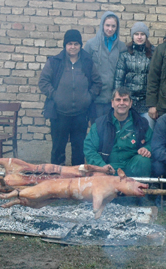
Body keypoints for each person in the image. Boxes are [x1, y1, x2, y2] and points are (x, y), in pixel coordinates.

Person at [39, 29, 101, 165]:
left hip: (80, 115)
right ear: (65, 45)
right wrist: (55, 95)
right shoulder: (55, 62)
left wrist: (88, 97)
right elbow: (43, 82)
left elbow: (97, 83)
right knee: (57, 149)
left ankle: (76, 180)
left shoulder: (87, 62)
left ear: (80, 45)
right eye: (70, 44)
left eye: (76, 44)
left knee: (79, 150)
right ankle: (56, 179)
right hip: (60, 114)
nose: (73, 47)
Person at [83, 87, 152, 177]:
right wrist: (102, 166)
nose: (122, 103)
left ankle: (141, 189)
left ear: (130, 103)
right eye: (118, 100)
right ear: (112, 103)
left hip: (133, 167)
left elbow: (153, 142)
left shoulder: (141, 123)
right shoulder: (100, 124)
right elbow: (89, 149)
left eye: (125, 100)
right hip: (109, 168)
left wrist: (147, 149)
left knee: (144, 160)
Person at [84, 11, 127, 123]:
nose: (110, 29)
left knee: (111, 129)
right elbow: (84, 69)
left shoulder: (122, 47)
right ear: (102, 25)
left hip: (113, 97)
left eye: (113, 26)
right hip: (96, 97)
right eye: (107, 25)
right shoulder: (91, 44)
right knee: (96, 128)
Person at [114, 22, 156, 129]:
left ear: (146, 36)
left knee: (147, 132)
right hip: (129, 102)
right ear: (133, 36)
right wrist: (119, 100)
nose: (139, 37)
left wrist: (154, 103)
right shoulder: (125, 55)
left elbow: (157, 78)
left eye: (142, 34)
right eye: (136, 34)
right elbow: (119, 79)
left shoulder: (154, 53)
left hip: (146, 103)